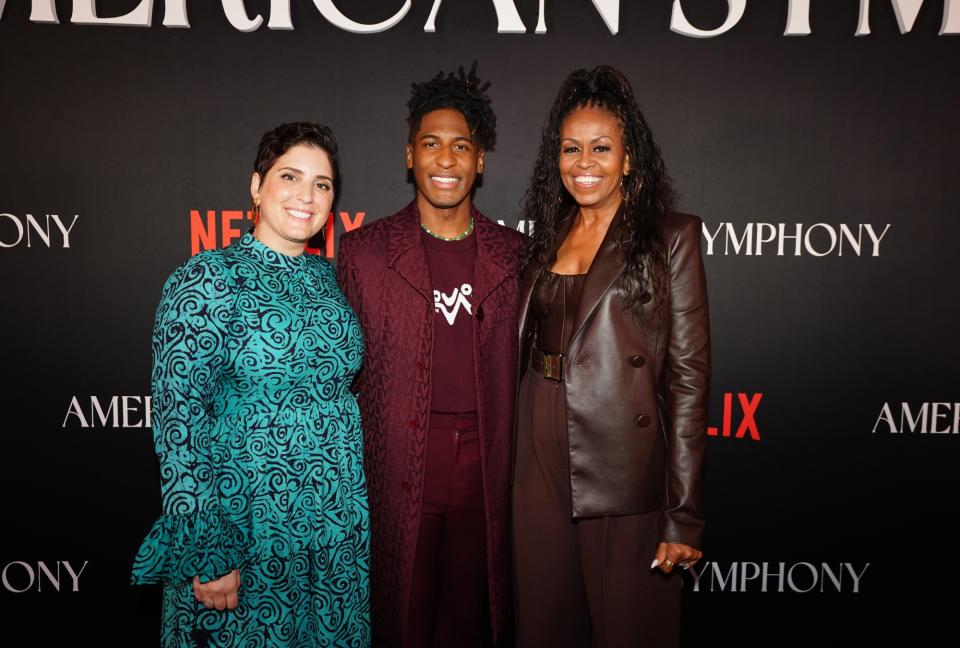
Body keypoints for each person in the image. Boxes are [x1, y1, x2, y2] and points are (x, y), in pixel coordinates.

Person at [131, 122, 370, 647]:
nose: (307, 196)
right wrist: (207, 550)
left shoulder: (330, 280)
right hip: (246, 523)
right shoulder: (207, 278)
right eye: (290, 176)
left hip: (332, 522)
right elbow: (178, 425)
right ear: (257, 186)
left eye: (323, 184)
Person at [512, 65, 710, 648]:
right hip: (535, 441)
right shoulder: (545, 237)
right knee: (545, 618)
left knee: (629, 624)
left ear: (628, 159)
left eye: (601, 148)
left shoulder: (671, 236)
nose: (584, 162)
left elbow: (690, 380)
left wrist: (684, 513)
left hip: (622, 452)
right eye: (571, 149)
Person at [337, 63, 524, 648]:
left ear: (481, 161)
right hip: (394, 458)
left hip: (488, 459)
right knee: (402, 612)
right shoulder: (366, 251)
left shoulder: (515, 254)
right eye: (432, 144)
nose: (446, 160)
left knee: (472, 614)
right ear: (409, 156)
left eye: (461, 146)